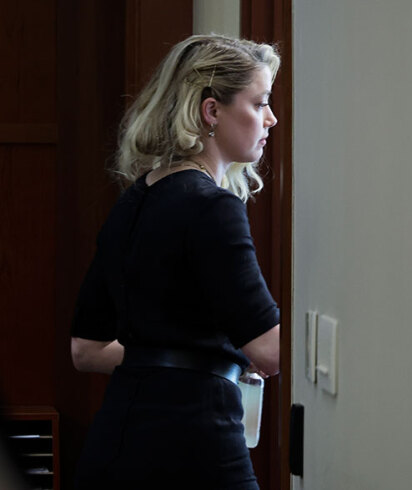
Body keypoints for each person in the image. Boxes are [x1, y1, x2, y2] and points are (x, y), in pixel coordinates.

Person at [70, 34, 281, 490]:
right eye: (260, 102)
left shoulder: (134, 200)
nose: (271, 118)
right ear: (212, 111)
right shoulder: (214, 206)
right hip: (197, 441)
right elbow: (269, 350)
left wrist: (177, 354)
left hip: (115, 442)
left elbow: (86, 350)